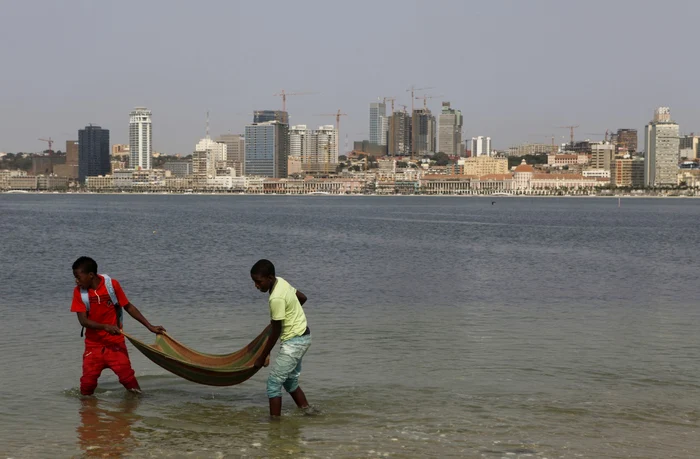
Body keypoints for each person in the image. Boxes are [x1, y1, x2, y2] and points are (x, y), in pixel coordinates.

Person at [70, 256, 165, 396]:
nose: (76, 281)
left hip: (115, 344)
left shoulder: (112, 286)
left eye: (78, 277)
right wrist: (106, 327)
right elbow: (83, 321)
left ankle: (136, 409)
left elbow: (128, 307)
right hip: (93, 346)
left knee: (130, 382)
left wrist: (150, 327)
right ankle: (88, 414)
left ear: (91, 275)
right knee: (87, 386)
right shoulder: (79, 292)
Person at [251, 259, 312, 417]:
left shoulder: (275, 298)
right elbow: (302, 298)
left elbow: (276, 331)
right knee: (289, 381)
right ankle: (309, 412)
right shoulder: (281, 282)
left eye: (258, 282)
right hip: (303, 336)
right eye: (254, 282)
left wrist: (261, 357)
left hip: (294, 343)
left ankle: (275, 427)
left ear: (270, 278)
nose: (256, 286)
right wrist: (291, 313)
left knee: (273, 383)